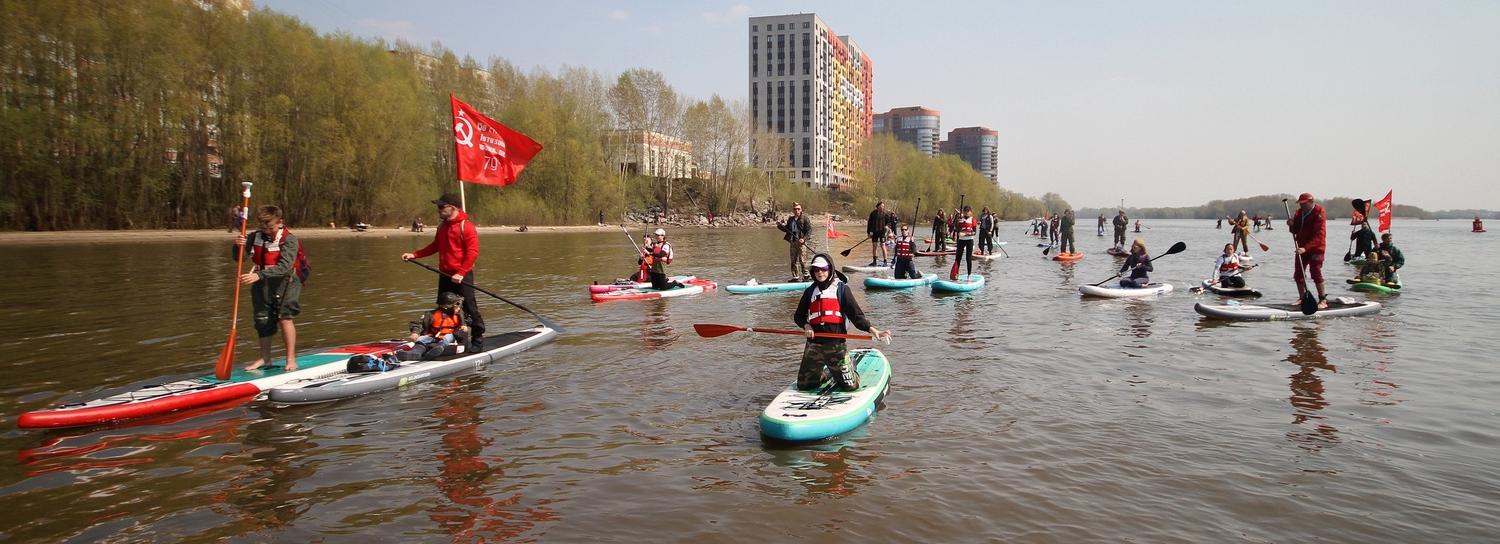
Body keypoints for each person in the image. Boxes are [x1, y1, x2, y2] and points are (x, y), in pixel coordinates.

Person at [793, 254, 890, 392]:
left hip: (836, 346)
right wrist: (806, 325)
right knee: (804, 385)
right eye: (816, 270)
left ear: (830, 269)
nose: (820, 272)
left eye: (824, 268)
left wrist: (872, 329)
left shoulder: (842, 289)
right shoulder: (810, 292)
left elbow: (856, 315)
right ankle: (827, 373)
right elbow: (798, 316)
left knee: (851, 386)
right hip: (814, 345)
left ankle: (851, 365)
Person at [402, 193, 485, 351]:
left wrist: (461, 272)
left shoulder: (466, 226)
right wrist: (415, 254)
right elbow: (435, 246)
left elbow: (472, 252)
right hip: (445, 274)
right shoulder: (442, 226)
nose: (438, 210)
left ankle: (478, 338)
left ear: (452, 207)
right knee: (443, 307)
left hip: (462, 274)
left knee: (469, 307)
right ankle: (443, 336)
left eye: (441, 207)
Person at [235, 205, 302, 371]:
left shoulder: (289, 239)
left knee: (284, 318)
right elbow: (240, 259)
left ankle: (291, 359)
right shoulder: (254, 237)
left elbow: (285, 266)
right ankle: (265, 358)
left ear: (280, 223)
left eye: (271, 228)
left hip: (285, 283)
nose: (268, 232)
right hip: (261, 285)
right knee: (262, 319)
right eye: (264, 228)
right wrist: (238, 246)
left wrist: (259, 275)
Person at [397, 291, 471, 361]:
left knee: (447, 337)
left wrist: (465, 326)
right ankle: (415, 353)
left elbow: (470, 322)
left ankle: (437, 349)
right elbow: (418, 323)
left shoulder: (460, 314)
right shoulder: (431, 314)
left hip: (451, 338)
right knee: (421, 340)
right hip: (434, 336)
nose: (455, 306)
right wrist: (415, 332)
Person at [1287, 192, 1328, 309]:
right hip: (1301, 247)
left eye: (1304, 204)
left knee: (1315, 271)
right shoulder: (1299, 213)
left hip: (1316, 248)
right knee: (1298, 274)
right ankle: (1302, 298)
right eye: (1300, 204)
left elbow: (1319, 236)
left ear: (1311, 202)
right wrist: (1291, 225)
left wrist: (1306, 248)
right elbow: (1295, 231)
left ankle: (1322, 299)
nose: (1302, 206)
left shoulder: (1319, 212)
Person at [777, 202, 812, 281]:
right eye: (795, 209)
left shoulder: (805, 218)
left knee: (802, 260)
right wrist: (779, 226)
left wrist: (804, 239)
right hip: (793, 242)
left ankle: (806, 275)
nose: (797, 210)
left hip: (801, 243)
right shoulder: (791, 219)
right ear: (793, 210)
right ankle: (795, 276)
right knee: (793, 260)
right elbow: (787, 230)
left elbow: (809, 230)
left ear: (801, 209)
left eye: (798, 209)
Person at [953, 206, 977, 278]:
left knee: (968, 258)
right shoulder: (960, 219)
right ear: (963, 212)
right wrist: (957, 224)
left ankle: (969, 275)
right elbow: (956, 229)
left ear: (970, 212)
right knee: (958, 258)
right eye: (965, 211)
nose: (966, 212)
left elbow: (974, 232)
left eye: (968, 211)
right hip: (961, 241)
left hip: (969, 240)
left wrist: (966, 234)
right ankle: (956, 274)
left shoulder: (973, 220)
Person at [866, 201, 890, 266]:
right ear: (878, 206)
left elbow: (889, 222)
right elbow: (869, 223)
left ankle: (885, 261)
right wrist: (868, 232)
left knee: (883, 246)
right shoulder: (873, 213)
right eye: (881, 206)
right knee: (874, 246)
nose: (882, 207)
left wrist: (887, 226)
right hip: (874, 232)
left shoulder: (885, 214)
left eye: (883, 206)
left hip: (882, 232)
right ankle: (874, 261)